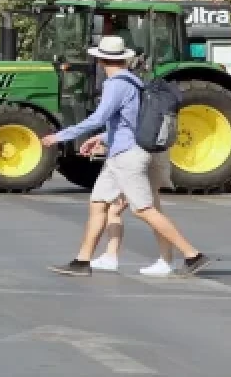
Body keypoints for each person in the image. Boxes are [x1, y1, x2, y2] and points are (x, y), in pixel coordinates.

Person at [40, 35, 212, 277]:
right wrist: (101, 138)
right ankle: (82, 261)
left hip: (126, 156)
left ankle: (193, 255)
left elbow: (100, 118)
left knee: (143, 209)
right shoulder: (134, 82)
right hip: (123, 152)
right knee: (98, 203)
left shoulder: (115, 85)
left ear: (100, 61)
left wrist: (60, 136)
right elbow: (127, 123)